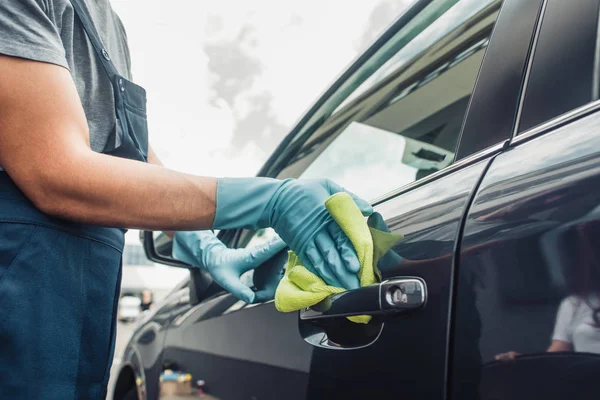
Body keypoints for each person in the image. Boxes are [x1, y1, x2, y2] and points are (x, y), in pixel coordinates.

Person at [0, 1, 372, 398]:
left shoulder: (109, 24)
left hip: (79, 290)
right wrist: (270, 200)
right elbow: (55, 172)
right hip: (20, 278)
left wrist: (205, 243)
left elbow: (135, 158)